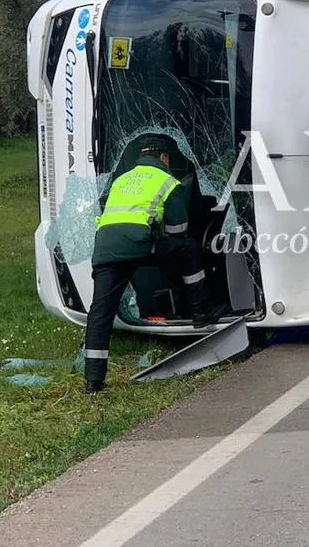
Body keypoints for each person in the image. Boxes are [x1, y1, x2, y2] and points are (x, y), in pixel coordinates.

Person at [82, 133, 227, 392]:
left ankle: (93, 379)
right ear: (163, 158)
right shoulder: (168, 182)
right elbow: (178, 229)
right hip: (139, 243)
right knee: (189, 249)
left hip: (105, 246)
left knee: (100, 312)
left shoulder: (121, 179)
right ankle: (200, 312)